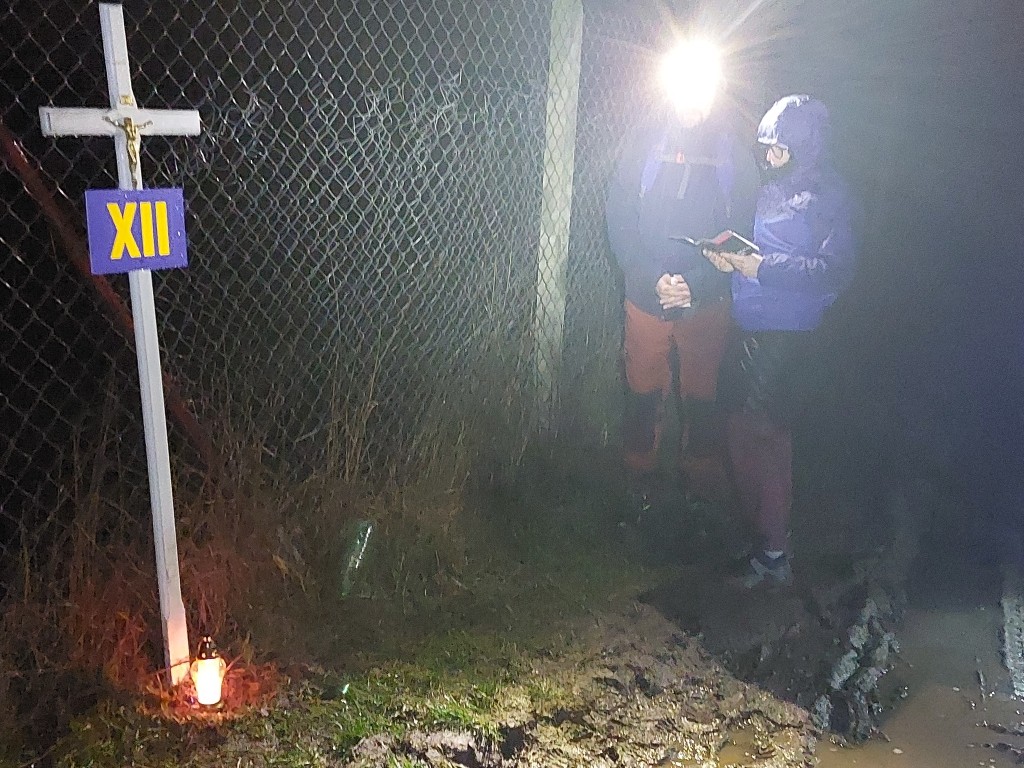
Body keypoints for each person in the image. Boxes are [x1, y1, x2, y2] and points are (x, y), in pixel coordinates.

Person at [704, 94, 856, 587]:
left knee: (764, 435)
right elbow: (758, 250)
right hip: (749, 325)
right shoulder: (768, 189)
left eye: (779, 148)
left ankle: (772, 552)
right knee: (742, 431)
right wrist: (731, 261)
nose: (769, 157)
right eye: (765, 147)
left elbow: (833, 271)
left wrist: (763, 268)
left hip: (790, 336)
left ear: (804, 147)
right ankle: (765, 540)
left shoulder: (830, 196)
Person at [605, 40, 756, 507]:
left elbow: (744, 233)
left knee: (703, 395)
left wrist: (698, 283)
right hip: (646, 293)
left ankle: (700, 487)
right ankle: (637, 481)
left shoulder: (734, 156)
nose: (692, 98)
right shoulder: (643, 144)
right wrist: (648, 276)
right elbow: (619, 215)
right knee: (642, 389)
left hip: (706, 299)